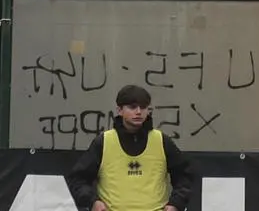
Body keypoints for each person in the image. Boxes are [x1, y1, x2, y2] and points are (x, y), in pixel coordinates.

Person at [64, 85, 197, 211]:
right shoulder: (104, 142)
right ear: (120, 110)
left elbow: (185, 176)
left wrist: (176, 204)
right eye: (132, 107)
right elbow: (78, 178)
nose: (138, 112)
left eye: (143, 107)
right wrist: (92, 201)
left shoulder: (161, 141)